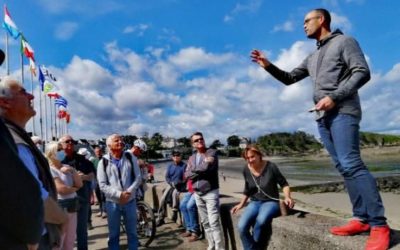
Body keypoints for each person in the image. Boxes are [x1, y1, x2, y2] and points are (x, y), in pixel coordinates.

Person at [250, 8, 390, 249]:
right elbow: (290, 78)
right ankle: (361, 218)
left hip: (343, 111)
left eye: (307, 21)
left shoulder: (344, 41)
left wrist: (334, 97)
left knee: (352, 164)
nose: (303, 25)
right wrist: (268, 65)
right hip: (322, 117)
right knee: (343, 168)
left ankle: (379, 224)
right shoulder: (313, 57)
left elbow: (362, 72)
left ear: (321, 20)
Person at [0, 76, 68, 249]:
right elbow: (32, 197)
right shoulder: (13, 143)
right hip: (32, 241)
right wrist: (63, 218)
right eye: (23, 92)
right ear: (4, 103)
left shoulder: (13, 138)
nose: (32, 96)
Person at [231, 145, 294, 250]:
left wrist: (288, 197)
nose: (250, 160)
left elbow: (284, 184)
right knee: (241, 227)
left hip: (271, 202)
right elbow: (248, 189)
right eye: (247, 158)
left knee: (261, 221)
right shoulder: (246, 169)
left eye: (252, 156)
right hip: (255, 202)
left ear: (259, 155)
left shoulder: (271, 167)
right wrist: (241, 204)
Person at [97, 134, 141, 250]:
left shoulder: (131, 158)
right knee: (113, 234)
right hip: (112, 203)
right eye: (117, 141)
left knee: (132, 232)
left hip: (130, 201)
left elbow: (138, 178)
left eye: (121, 140)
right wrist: (119, 194)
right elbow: (102, 185)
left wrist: (128, 192)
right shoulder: (103, 162)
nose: (120, 142)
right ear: (109, 145)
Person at [185, 132, 225, 250]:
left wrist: (194, 170)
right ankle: (211, 244)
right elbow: (186, 175)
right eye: (196, 140)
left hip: (211, 191)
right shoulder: (191, 158)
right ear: (193, 144)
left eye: (201, 139)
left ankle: (219, 247)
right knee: (205, 222)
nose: (199, 141)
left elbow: (207, 169)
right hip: (197, 193)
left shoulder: (212, 152)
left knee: (213, 222)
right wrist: (201, 166)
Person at [59, 135, 95, 250]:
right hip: (64, 201)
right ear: (61, 144)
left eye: (73, 141)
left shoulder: (82, 159)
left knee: (81, 231)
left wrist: (84, 177)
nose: (71, 143)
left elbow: (92, 175)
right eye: (67, 141)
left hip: (82, 199)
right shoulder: (57, 160)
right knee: (63, 233)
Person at [45, 141, 83, 250]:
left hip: (72, 207)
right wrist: (75, 188)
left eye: (61, 149)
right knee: (59, 241)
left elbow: (80, 183)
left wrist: (72, 170)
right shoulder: (49, 169)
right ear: (51, 153)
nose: (62, 151)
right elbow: (62, 190)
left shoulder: (67, 167)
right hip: (60, 207)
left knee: (70, 240)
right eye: (58, 149)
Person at [156, 150, 186, 226]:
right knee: (162, 199)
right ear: (172, 157)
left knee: (175, 194)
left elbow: (186, 178)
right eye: (174, 156)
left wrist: (178, 183)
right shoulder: (170, 166)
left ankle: (175, 212)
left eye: (178, 155)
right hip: (171, 184)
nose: (176, 157)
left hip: (180, 185)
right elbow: (167, 177)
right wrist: (170, 183)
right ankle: (160, 217)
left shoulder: (184, 166)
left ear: (180, 156)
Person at [179, 167, 201, 242]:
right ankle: (189, 229)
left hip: (198, 190)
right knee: (182, 205)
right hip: (190, 190)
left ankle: (195, 231)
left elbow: (193, 174)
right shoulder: (192, 160)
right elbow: (186, 174)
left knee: (190, 206)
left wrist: (189, 173)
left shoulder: (200, 161)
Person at [92, 146, 107, 218]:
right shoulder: (93, 160)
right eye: (96, 152)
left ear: (101, 152)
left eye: (99, 151)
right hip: (95, 181)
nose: (98, 153)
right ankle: (100, 210)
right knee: (98, 196)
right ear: (94, 152)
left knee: (103, 196)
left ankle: (104, 211)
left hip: (103, 181)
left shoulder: (105, 160)